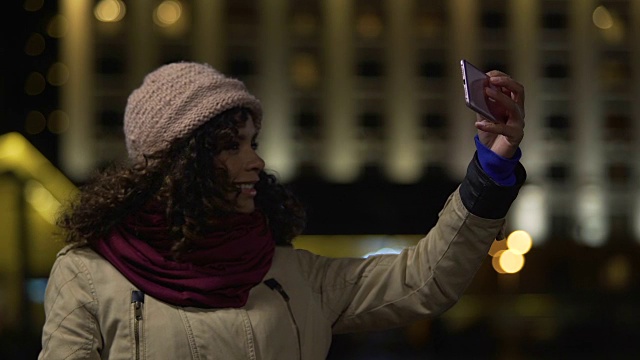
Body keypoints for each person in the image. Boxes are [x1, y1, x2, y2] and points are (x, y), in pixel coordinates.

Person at [38, 61, 526, 359]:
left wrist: (492, 167)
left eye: (253, 142)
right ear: (175, 164)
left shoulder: (291, 274)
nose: (256, 161)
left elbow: (424, 280)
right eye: (231, 146)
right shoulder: (87, 276)